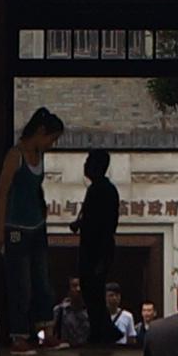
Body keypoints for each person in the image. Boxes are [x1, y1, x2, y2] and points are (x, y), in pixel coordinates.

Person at [0, 109, 63, 350]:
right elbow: (2, 192)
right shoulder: (15, 156)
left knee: (42, 280)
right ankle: (19, 334)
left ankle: (45, 330)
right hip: (16, 226)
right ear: (41, 132)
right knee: (20, 282)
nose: (52, 144)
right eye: (51, 139)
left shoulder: (39, 155)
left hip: (37, 225)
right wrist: (0, 229)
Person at [69, 141, 124, 330]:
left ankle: (104, 330)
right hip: (91, 246)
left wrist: (102, 255)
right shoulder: (95, 189)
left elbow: (106, 223)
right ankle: (100, 329)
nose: (85, 166)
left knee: (93, 289)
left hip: (97, 248)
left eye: (88, 161)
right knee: (90, 288)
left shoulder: (104, 190)